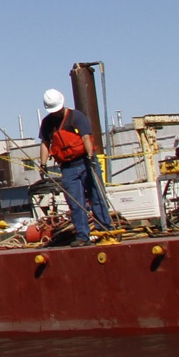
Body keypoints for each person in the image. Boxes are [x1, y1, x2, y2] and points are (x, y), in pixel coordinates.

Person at [38, 89, 112, 247]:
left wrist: (91, 156)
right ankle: (82, 236)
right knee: (76, 203)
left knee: (97, 196)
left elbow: (86, 137)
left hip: (85, 162)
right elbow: (45, 143)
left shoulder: (76, 116)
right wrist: (43, 164)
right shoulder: (47, 123)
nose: (55, 114)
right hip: (68, 168)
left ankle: (105, 229)